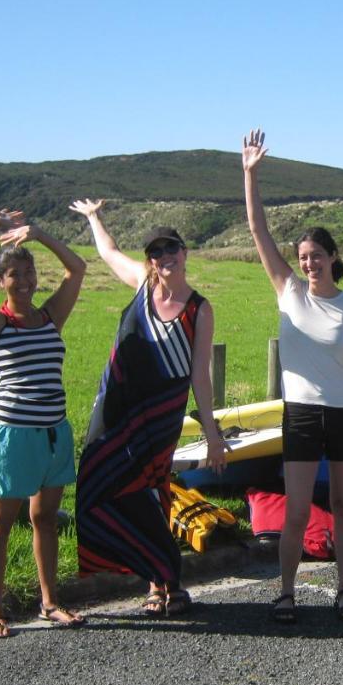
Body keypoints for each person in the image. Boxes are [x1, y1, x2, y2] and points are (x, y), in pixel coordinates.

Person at [242, 129, 343, 622]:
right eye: (303, 256)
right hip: (303, 415)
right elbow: (257, 231)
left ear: (332, 258)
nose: (309, 262)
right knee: (295, 511)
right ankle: (286, 592)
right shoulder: (289, 291)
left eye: (316, 255)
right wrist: (250, 174)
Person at [69, 199, 226, 617]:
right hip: (116, 409)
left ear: (184, 252)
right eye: (156, 252)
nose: (163, 257)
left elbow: (200, 376)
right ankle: (149, 573)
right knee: (97, 485)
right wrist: (93, 218)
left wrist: (213, 435)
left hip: (160, 418)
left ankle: (166, 583)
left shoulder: (199, 308)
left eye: (170, 248)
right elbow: (108, 252)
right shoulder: (142, 283)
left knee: (150, 495)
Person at [0, 209, 87, 638]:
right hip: (13, 437)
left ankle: (49, 602)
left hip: (55, 433)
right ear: (1, 282)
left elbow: (78, 268)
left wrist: (40, 234)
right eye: (15, 273)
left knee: (45, 519)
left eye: (30, 272)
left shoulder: (50, 317)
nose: (26, 280)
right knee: (0, 523)